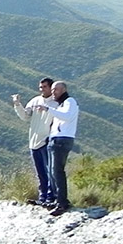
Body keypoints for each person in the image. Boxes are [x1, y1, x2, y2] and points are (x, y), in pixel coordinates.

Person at [12, 78, 56, 207]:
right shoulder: (35, 100)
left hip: (47, 141)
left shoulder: (56, 103)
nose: (42, 89)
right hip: (34, 140)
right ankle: (42, 198)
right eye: (40, 87)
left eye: (44, 87)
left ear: (51, 88)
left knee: (50, 171)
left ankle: (51, 197)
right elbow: (25, 116)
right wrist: (17, 104)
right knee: (40, 172)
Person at [46, 81, 79, 217]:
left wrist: (49, 109)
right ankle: (57, 199)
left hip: (62, 139)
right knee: (52, 172)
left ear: (64, 90)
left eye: (56, 90)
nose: (54, 92)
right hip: (55, 139)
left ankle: (62, 203)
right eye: (53, 90)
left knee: (58, 171)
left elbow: (67, 116)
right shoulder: (61, 105)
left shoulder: (70, 102)